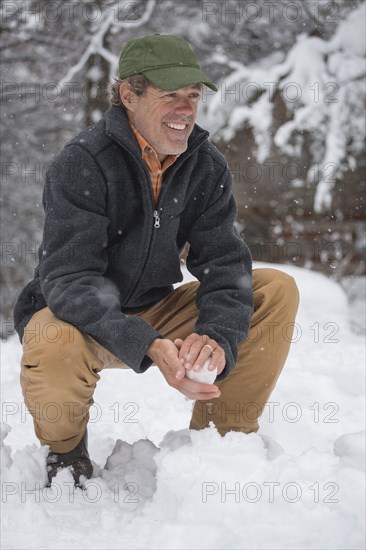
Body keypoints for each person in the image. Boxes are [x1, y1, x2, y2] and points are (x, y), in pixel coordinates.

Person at [13, 34, 299, 486]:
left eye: (193, 96)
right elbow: (69, 279)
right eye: (170, 95)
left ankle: (222, 442)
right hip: (79, 317)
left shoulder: (205, 165)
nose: (186, 109)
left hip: (156, 308)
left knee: (274, 290)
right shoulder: (83, 162)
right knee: (51, 338)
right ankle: (66, 454)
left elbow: (224, 264)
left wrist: (217, 337)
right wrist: (143, 342)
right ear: (130, 94)